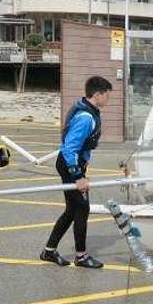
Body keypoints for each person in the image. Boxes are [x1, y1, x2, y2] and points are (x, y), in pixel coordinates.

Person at [40, 76, 112, 268]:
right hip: (70, 165)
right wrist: (78, 176)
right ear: (97, 95)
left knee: (72, 211)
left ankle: (49, 251)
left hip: (74, 164)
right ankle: (81, 256)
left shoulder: (89, 110)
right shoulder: (86, 117)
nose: (108, 99)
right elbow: (69, 149)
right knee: (82, 209)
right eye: (107, 95)